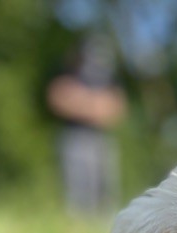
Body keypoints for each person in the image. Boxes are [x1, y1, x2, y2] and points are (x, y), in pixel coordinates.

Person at [46, 36, 127, 213]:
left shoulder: (110, 78)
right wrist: (95, 104)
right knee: (77, 190)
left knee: (106, 188)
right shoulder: (70, 71)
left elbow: (117, 108)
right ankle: (76, 230)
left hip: (101, 138)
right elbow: (58, 97)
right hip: (75, 136)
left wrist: (82, 101)